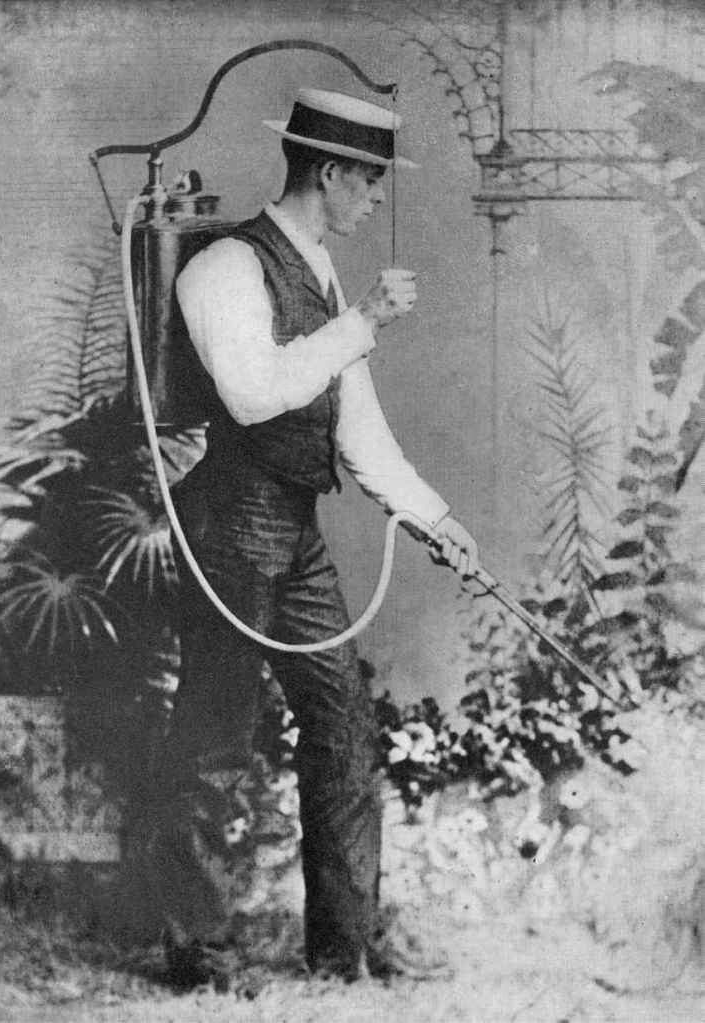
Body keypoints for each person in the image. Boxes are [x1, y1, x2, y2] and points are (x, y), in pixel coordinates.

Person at [160, 88, 479, 983]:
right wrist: (363, 323)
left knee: (343, 729)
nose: (375, 199)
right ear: (331, 172)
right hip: (229, 526)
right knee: (215, 736)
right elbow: (253, 393)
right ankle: (197, 952)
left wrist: (434, 518)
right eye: (370, 181)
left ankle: (346, 951)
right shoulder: (224, 266)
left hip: (292, 529)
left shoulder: (323, 275)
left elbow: (356, 426)